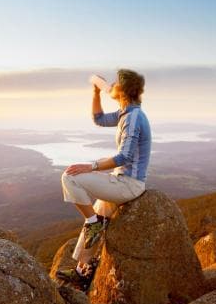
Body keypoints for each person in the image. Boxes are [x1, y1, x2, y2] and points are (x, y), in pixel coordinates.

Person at [57, 69, 151, 289]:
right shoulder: (126, 113)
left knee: (70, 177)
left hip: (128, 184)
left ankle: (93, 223)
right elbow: (98, 119)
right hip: (122, 180)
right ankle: (82, 270)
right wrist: (96, 93)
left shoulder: (133, 117)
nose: (112, 84)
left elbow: (124, 156)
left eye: (115, 82)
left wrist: (91, 166)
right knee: (94, 216)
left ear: (122, 90)